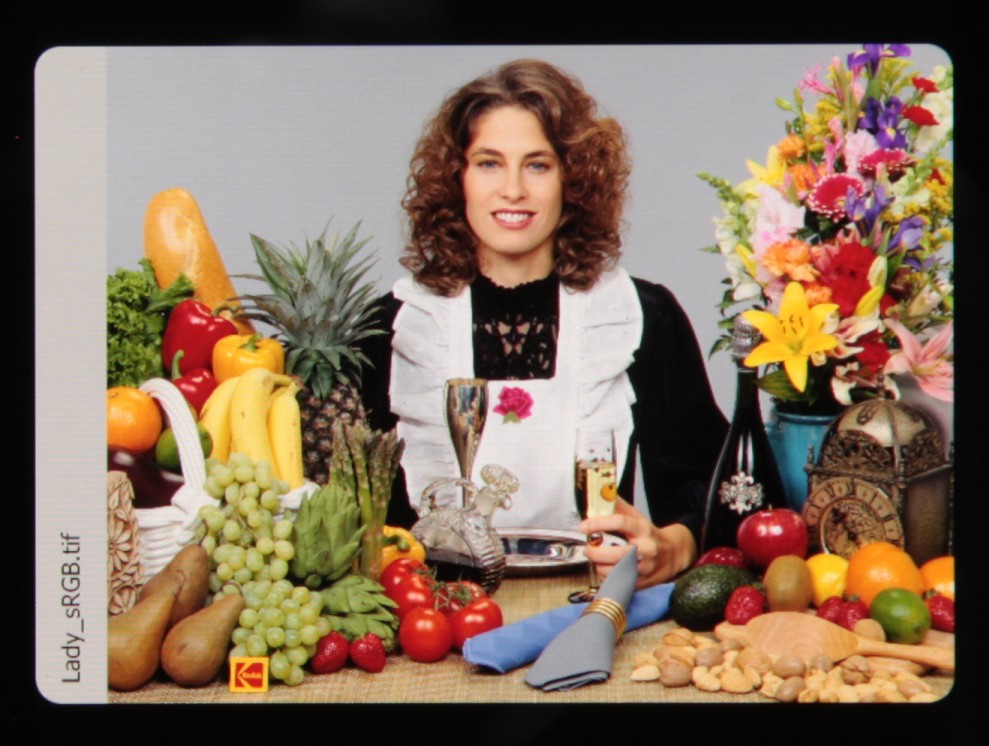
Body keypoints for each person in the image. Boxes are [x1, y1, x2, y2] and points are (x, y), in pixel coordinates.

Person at [359, 59, 728, 588]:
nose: (513, 190)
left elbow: (716, 485)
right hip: (432, 614)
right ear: (457, 178)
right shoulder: (394, 327)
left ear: (572, 179)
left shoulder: (638, 315)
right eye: (489, 163)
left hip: (594, 602)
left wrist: (676, 545)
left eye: (537, 165)